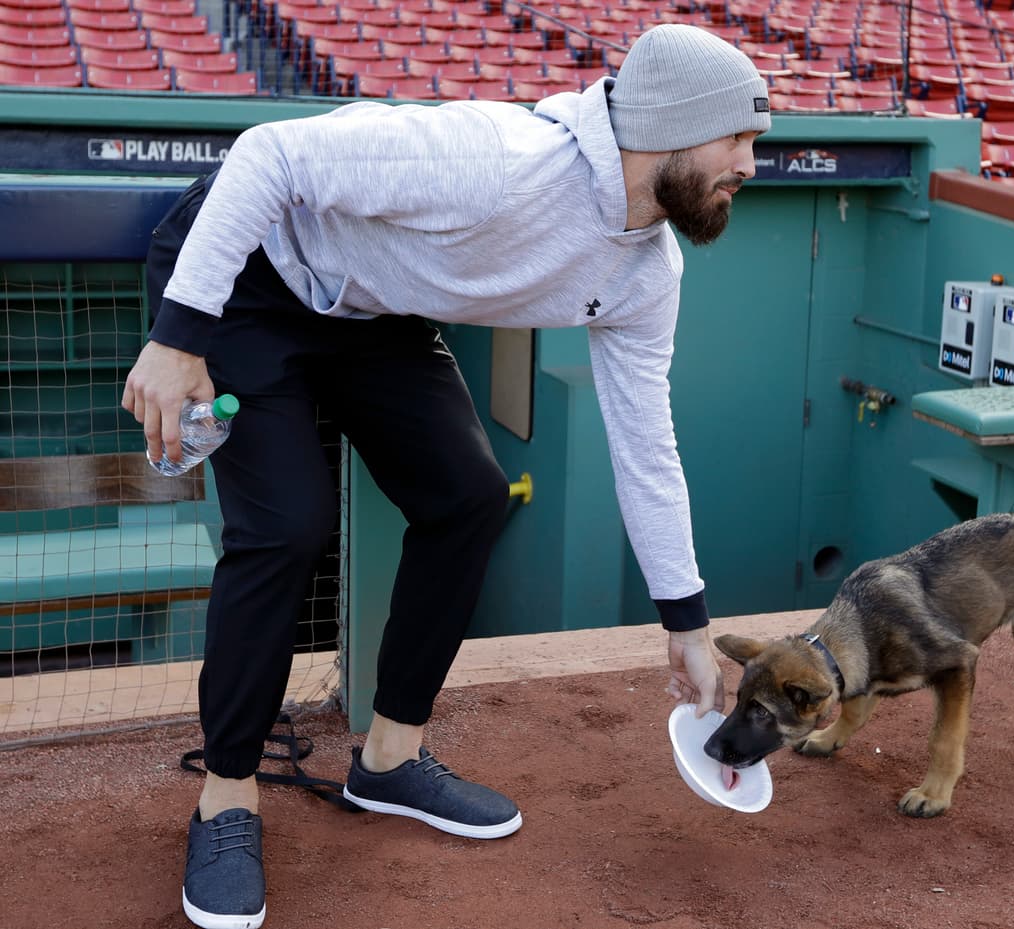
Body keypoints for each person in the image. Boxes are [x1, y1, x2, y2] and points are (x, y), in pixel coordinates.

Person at [123, 22, 770, 929]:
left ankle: (390, 759)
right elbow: (267, 156)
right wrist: (179, 336)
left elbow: (645, 441)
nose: (751, 162)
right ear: (663, 129)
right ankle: (226, 801)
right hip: (252, 277)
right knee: (287, 527)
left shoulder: (646, 271)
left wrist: (687, 621)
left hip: (373, 306)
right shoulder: (496, 157)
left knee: (467, 499)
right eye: (737, 140)